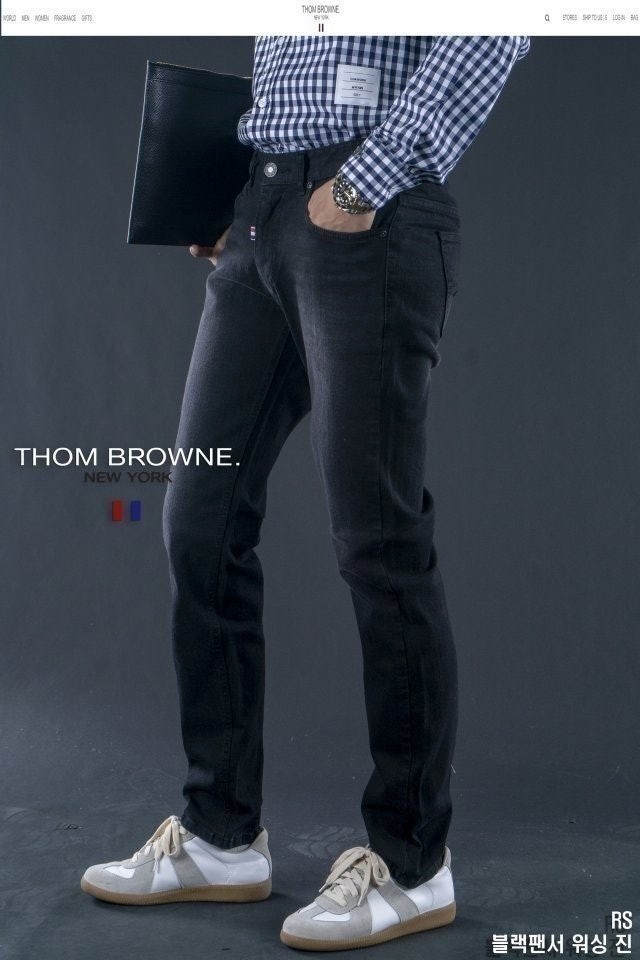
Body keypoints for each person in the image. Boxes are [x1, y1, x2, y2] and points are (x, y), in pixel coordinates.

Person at [80, 35, 530, 951]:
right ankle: (220, 834)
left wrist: (365, 181)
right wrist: (234, 191)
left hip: (369, 210)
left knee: (377, 539)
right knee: (198, 523)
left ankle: (411, 863)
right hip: (262, 207)